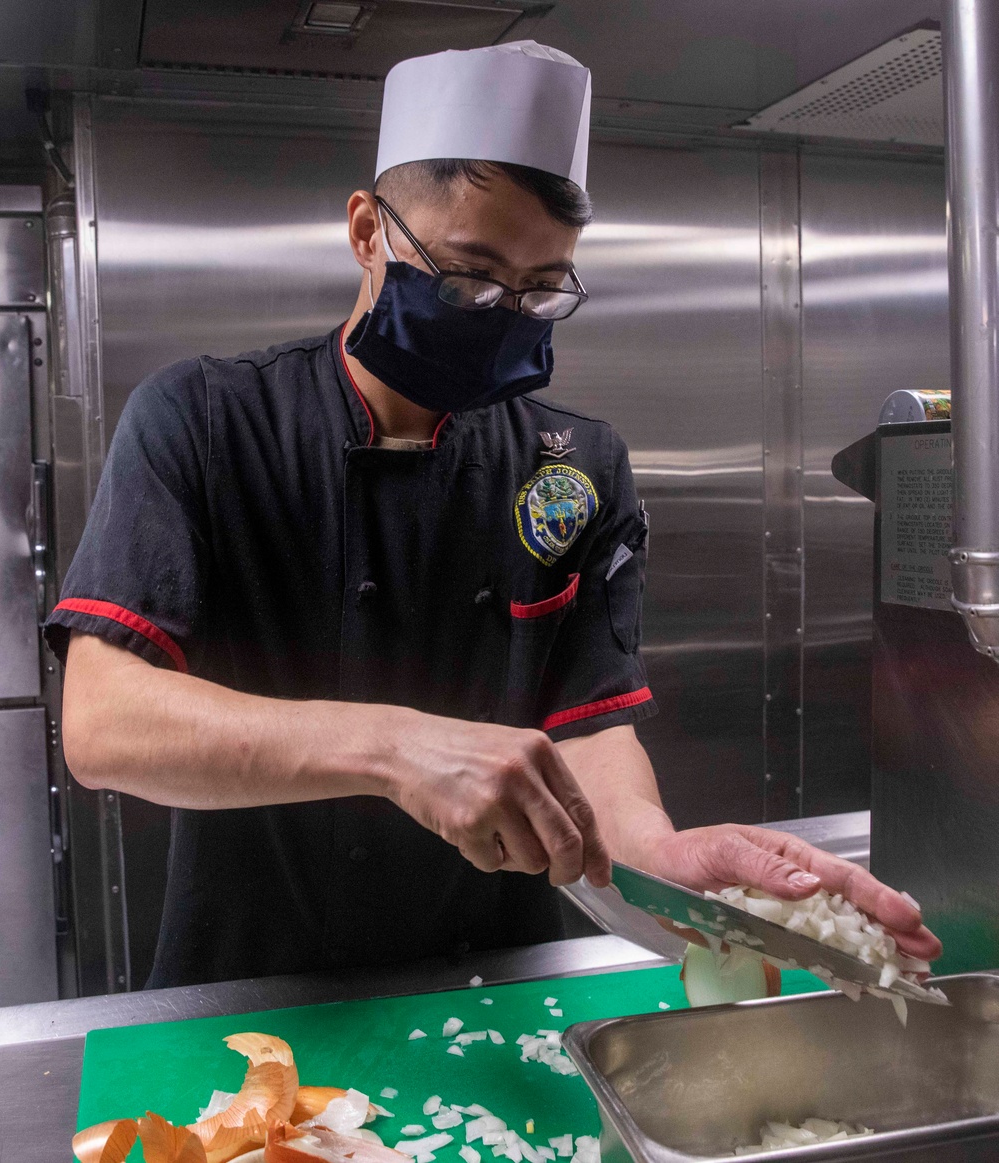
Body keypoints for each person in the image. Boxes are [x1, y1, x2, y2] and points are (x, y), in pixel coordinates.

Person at [46, 41, 941, 988]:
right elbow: (104, 722)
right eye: (467, 277)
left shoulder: (577, 467)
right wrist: (397, 749)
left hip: (504, 989)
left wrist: (659, 854)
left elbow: (588, 728)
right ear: (367, 230)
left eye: (540, 288)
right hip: (254, 996)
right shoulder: (205, 422)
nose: (499, 311)